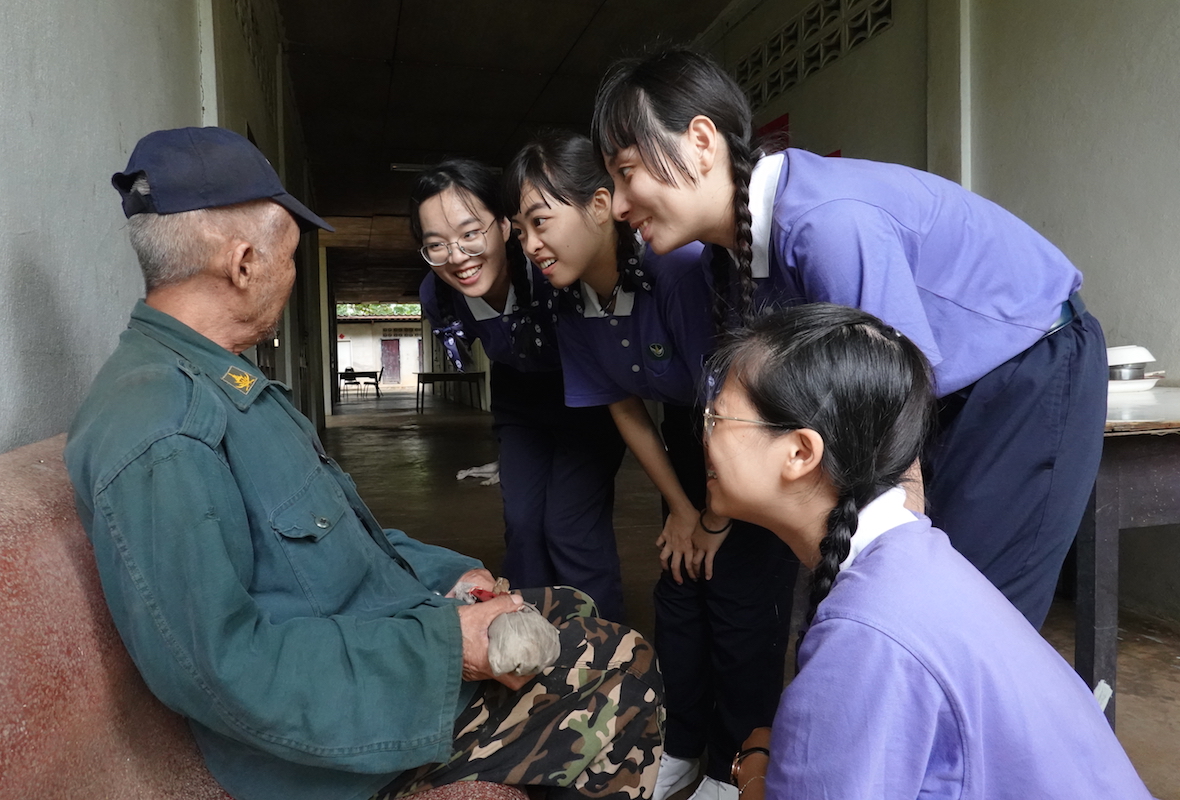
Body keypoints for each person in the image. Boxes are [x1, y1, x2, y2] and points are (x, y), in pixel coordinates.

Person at [65, 126, 663, 800]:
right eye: (289, 256)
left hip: (373, 635)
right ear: (243, 263)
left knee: (573, 607)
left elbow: (340, 543)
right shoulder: (163, 430)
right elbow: (220, 670)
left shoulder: (227, 385)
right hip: (341, 730)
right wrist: (449, 648)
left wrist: (454, 576)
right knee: (626, 668)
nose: (292, 276)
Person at [591, 47, 1108, 630]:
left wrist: (892, 560)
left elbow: (891, 405)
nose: (620, 205)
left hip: (1027, 368)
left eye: (627, 172)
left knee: (973, 617)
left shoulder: (824, 224)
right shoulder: (732, 254)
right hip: (946, 392)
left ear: (702, 142)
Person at [702, 304, 1152, 800]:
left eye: (716, 416)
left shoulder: (865, 637)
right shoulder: (914, 558)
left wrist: (757, 778)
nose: (703, 435)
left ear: (800, 453)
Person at [503, 130, 797, 800]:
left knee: (739, 601)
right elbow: (624, 407)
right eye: (520, 229)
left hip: (752, 437)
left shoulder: (678, 269)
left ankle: (734, 764)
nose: (529, 244)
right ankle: (682, 746)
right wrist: (685, 511)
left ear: (602, 206)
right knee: (679, 592)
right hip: (693, 444)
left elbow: (736, 400)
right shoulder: (570, 300)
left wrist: (716, 519)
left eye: (540, 221)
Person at [413, 159, 628, 621]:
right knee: (525, 524)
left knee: (570, 527)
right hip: (518, 401)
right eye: (436, 245)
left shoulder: (549, 266)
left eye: (471, 233)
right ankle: (530, 642)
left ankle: (601, 646)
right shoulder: (441, 294)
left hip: (586, 397)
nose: (457, 255)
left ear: (505, 226)